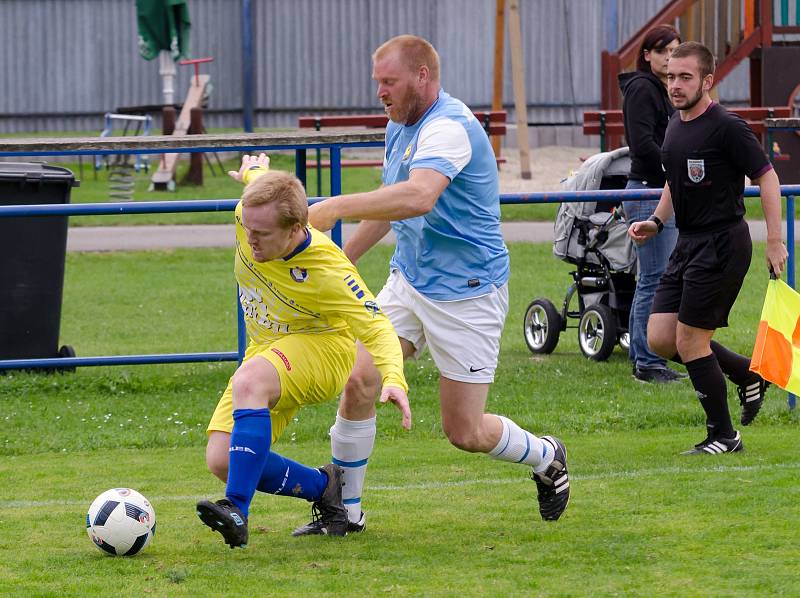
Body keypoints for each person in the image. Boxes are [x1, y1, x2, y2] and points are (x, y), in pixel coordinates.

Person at [296, 34, 570, 535]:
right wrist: (341, 261)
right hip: (409, 281)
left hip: (467, 294)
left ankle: (547, 455)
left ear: (422, 76)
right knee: (358, 379)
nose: (380, 92)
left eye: (389, 81)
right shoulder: (399, 124)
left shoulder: (449, 127)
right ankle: (346, 513)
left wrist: (334, 206)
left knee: (464, 432)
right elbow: (392, 202)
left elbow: (419, 196)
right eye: (378, 81)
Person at [196, 157, 410, 548]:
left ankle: (236, 510)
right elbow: (262, 187)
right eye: (246, 227)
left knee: (250, 381)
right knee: (223, 460)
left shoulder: (330, 269)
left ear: (297, 227)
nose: (250, 238)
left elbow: (377, 328)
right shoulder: (250, 213)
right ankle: (324, 488)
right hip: (267, 350)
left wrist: (394, 377)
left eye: (260, 233)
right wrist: (252, 173)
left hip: (323, 350)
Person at [628, 42, 788, 455]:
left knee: (692, 341)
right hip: (687, 241)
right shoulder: (675, 125)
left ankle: (723, 435)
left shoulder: (727, 126)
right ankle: (748, 376)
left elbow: (767, 178)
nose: (675, 85)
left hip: (722, 243)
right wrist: (657, 220)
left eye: (685, 77)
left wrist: (775, 240)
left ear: (707, 80)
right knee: (661, 338)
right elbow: (673, 181)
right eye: (670, 77)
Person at [618, 24, 687, 384]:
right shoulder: (643, 89)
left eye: (675, 50)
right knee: (655, 279)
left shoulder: (664, 90)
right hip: (648, 191)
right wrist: (674, 165)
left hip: (658, 189)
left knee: (652, 277)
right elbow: (642, 143)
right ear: (647, 55)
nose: (668, 57)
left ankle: (643, 356)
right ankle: (647, 362)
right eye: (662, 51)